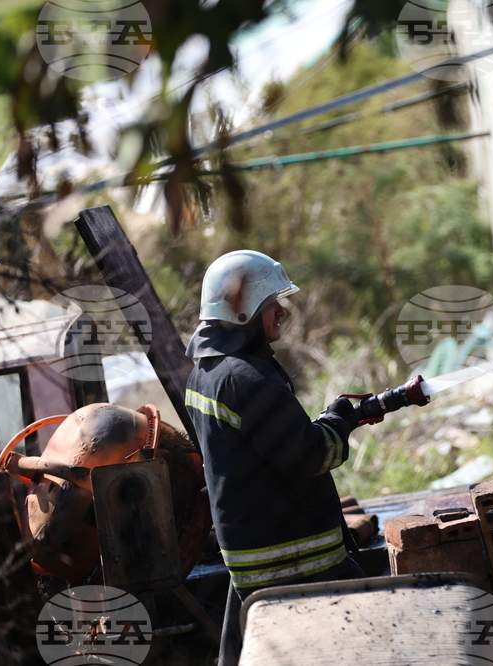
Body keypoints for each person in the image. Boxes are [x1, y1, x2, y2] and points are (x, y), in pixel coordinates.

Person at [184, 250, 364, 666]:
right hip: (297, 559)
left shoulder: (207, 372)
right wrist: (338, 425)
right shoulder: (248, 380)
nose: (282, 311)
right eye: (271, 304)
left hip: (253, 556)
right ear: (245, 314)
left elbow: (260, 447)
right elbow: (310, 455)